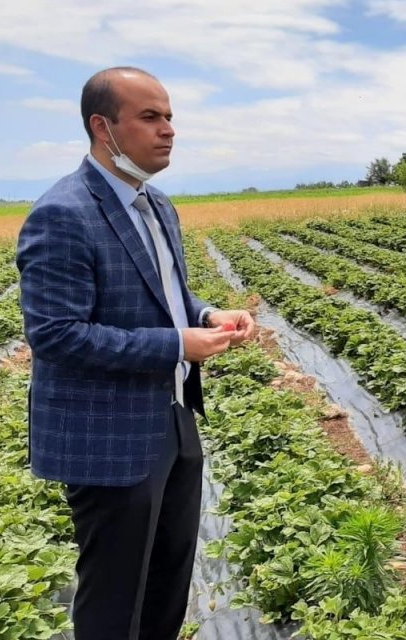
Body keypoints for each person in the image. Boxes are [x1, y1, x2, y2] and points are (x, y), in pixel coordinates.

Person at [16, 66, 257, 640]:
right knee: (115, 597)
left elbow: (163, 292)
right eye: (150, 117)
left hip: (172, 421)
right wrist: (178, 343)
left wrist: (204, 315)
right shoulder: (63, 214)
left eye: (169, 116)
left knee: (167, 583)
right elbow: (55, 334)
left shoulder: (157, 205)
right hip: (109, 440)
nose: (168, 129)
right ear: (104, 127)